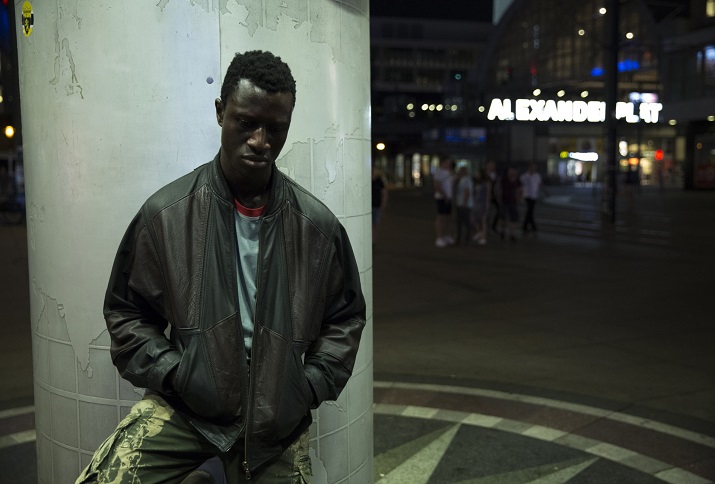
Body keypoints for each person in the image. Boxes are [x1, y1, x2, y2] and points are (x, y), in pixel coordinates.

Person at [77, 50, 366, 483]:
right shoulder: (167, 215)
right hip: (190, 412)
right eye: (246, 123)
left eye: (275, 128)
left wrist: (305, 387)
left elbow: (345, 319)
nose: (260, 141)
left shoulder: (317, 228)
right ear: (220, 112)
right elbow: (127, 312)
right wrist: (177, 375)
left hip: (274, 424)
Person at [496, 166, 522, 241]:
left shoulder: (517, 180)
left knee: (513, 218)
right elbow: (497, 188)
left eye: (514, 172)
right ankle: (502, 231)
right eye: (511, 172)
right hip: (504, 201)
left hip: (513, 201)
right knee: (503, 218)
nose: (512, 173)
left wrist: (519, 198)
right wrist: (498, 198)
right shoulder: (503, 180)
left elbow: (520, 189)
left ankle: (512, 234)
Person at [433, 157, 455, 248]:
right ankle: (439, 237)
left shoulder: (449, 173)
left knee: (448, 217)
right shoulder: (439, 173)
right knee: (441, 217)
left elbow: (451, 183)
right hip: (441, 198)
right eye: (446, 163)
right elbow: (437, 185)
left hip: (448, 198)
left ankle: (446, 236)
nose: (448, 165)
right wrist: (444, 195)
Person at [520, 162, 546, 234]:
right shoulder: (524, 176)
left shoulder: (537, 176)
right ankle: (531, 226)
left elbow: (540, 184)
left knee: (530, 211)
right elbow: (520, 185)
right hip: (527, 195)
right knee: (530, 210)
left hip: (534, 195)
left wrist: (545, 191)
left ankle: (526, 226)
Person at [454, 165, 473, 245]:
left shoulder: (466, 180)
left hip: (464, 204)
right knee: (462, 221)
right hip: (461, 203)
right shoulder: (461, 180)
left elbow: (466, 192)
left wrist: (464, 202)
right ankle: (463, 237)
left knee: (464, 221)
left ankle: (465, 237)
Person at [471, 168, 490, 245]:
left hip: (482, 203)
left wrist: (487, 204)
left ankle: (483, 237)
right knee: (475, 218)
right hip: (476, 202)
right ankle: (479, 232)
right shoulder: (475, 183)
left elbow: (488, 195)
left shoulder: (486, 183)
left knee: (483, 220)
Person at [371, 166, 388, 247]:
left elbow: (384, 193)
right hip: (369, 207)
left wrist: (383, 205)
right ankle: (370, 240)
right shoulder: (368, 181)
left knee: (375, 225)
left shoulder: (379, 181)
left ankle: (373, 241)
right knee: (370, 225)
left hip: (377, 206)